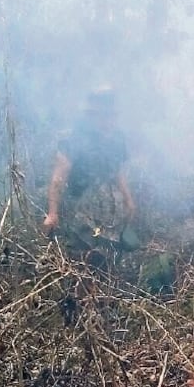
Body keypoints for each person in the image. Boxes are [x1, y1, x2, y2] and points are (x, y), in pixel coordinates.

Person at [42, 87, 137, 268]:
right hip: (82, 214)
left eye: (110, 114)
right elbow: (58, 178)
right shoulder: (74, 139)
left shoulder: (117, 138)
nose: (107, 119)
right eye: (101, 114)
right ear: (91, 114)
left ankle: (104, 292)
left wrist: (128, 199)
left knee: (108, 262)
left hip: (111, 217)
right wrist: (52, 213)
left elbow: (118, 171)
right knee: (81, 260)